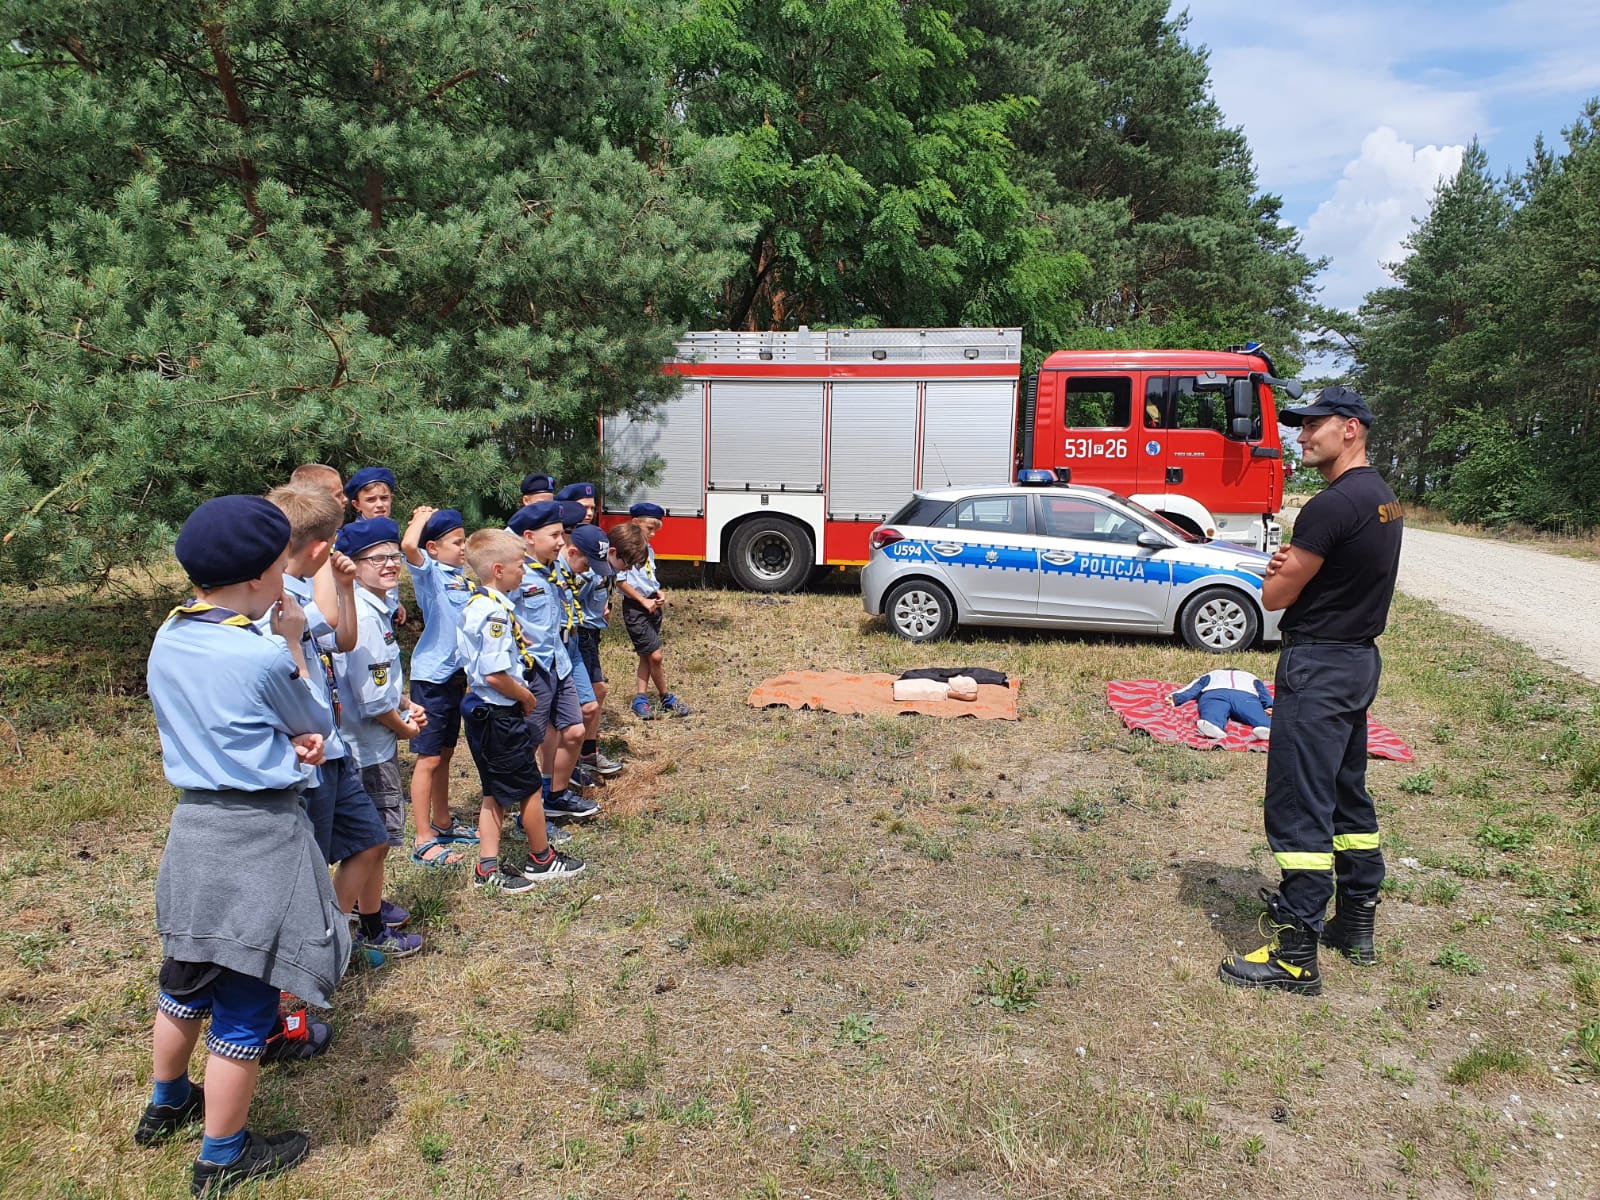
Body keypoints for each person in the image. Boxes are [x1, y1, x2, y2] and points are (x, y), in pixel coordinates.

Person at [137, 495, 347, 1195]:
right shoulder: (259, 654)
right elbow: (315, 718)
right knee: (247, 996)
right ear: (262, 576)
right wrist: (293, 643)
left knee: (184, 977)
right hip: (257, 834)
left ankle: (167, 1102)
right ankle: (222, 1155)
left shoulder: (169, 633)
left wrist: (285, 737)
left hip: (193, 828)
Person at [1218, 386, 1403, 995]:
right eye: (1299, 426)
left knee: (1299, 803)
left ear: (1350, 428)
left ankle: (1295, 953)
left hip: (1318, 665)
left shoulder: (1331, 505)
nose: (1300, 436)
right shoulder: (1382, 498)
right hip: (1357, 661)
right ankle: (1355, 922)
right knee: (1347, 794)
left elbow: (1274, 597)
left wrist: (1280, 573)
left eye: (1312, 425)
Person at [262, 486, 410, 964]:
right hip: (312, 752)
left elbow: (340, 640)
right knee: (307, 863)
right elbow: (306, 656)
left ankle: (335, 938)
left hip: (334, 747)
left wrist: (343, 587)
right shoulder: (275, 598)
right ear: (322, 548)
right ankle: (312, 950)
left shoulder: (308, 588)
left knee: (370, 840)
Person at [457, 528, 588, 892]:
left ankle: (487, 866)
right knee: (529, 787)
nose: (523, 571)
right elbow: (495, 674)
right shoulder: (494, 614)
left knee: (495, 791)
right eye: (519, 565)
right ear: (498, 570)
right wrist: (527, 698)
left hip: (484, 712)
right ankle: (541, 858)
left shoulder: (481, 604)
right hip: (500, 713)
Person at [331, 517, 428, 962]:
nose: (390, 564)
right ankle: (350, 933)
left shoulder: (376, 607)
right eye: (378, 558)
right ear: (353, 565)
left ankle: (367, 919)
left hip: (371, 740)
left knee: (374, 844)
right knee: (372, 844)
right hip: (367, 748)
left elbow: (377, 683)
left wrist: (404, 701)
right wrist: (405, 726)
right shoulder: (366, 617)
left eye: (394, 556)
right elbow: (370, 700)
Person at [508, 502, 601, 822]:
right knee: (530, 742)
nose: (561, 541)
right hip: (534, 669)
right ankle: (527, 814)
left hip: (559, 661)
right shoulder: (518, 573)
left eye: (562, 534)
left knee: (574, 731)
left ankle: (555, 795)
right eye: (554, 535)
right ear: (529, 537)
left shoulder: (553, 568)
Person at [400, 506, 478, 867]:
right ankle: (422, 837)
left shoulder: (462, 579)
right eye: (456, 542)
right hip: (431, 678)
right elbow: (408, 546)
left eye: (464, 541)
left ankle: (443, 822)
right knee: (428, 757)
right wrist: (420, 517)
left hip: (454, 676)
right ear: (433, 547)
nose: (463, 548)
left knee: (445, 753)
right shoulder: (429, 573)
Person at [614, 504, 690, 720]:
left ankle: (641, 697)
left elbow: (649, 577)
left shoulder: (649, 550)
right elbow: (620, 580)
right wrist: (642, 600)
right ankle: (665, 696)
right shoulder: (625, 550)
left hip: (652, 606)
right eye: (650, 528)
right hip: (636, 608)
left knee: (646, 655)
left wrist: (658, 592)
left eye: (656, 529)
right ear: (635, 523)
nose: (653, 533)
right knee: (655, 655)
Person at [569, 522, 625, 778]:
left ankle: (586, 754)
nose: (628, 570)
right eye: (628, 563)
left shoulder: (599, 571)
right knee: (590, 698)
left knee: (597, 694)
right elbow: (574, 602)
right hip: (581, 636)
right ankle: (576, 759)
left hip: (590, 634)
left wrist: (606, 608)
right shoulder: (585, 575)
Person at [1167, 667, 1273, 740]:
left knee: (1213, 709)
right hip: (1245, 696)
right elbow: (1263, 692)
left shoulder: (1213, 673)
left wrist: (1176, 698)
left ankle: (1213, 725)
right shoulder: (1251, 676)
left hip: (1215, 693)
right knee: (1254, 712)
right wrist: (1270, 706)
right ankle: (1267, 727)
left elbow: (1194, 687)